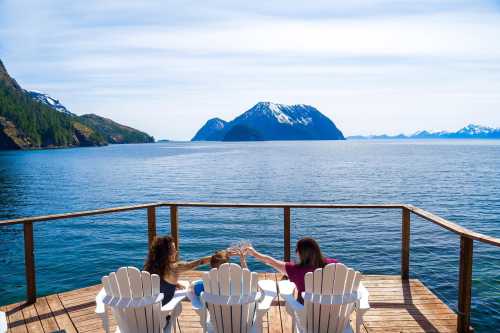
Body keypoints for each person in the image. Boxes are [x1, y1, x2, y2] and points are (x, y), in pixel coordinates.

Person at [245, 237, 337, 303]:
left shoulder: (294, 270)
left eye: (297, 250)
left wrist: (254, 253)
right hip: (331, 311)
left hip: (306, 312)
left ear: (300, 253)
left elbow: (271, 261)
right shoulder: (334, 264)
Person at [144, 235, 212, 306]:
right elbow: (200, 262)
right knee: (190, 288)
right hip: (164, 304)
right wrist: (216, 257)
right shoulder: (174, 268)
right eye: (173, 250)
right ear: (166, 254)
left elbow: (161, 281)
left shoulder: (150, 267)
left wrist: (174, 284)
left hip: (150, 305)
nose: (176, 252)